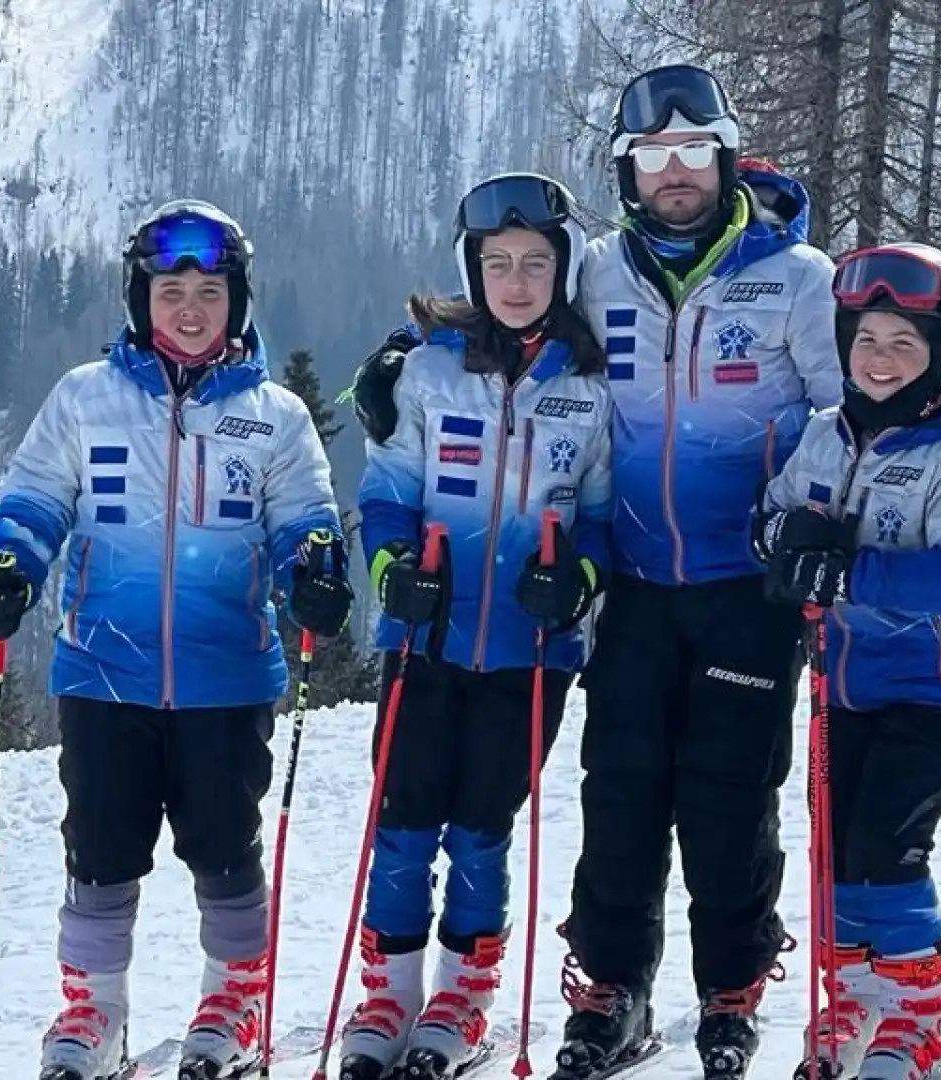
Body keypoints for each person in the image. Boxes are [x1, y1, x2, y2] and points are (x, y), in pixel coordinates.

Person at [349, 64, 843, 1080]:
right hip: (628, 576)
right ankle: (612, 986)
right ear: (627, 172)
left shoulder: (797, 279)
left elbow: (850, 413)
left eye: (691, 153)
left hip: (749, 585)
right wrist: (404, 352)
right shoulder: (598, 272)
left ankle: (731, 988)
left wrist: (816, 519)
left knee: (730, 793)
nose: (674, 176)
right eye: (652, 157)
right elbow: (501, 299)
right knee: (618, 788)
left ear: (723, 156)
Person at [0, 200, 353, 1080]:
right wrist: (9, 569)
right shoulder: (84, 399)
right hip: (102, 672)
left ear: (237, 301)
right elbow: (33, 502)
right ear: (140, 299)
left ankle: (235, 1000)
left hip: (226, 677)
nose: (188, 307)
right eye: (169, 288)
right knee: (98, 850)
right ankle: (93, 1013)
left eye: (209, 290)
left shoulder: (276, 416)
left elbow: (306, 523)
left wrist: (316, 574)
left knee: (223, 846)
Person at [338, 173, 614, 1080]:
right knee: (404, 818)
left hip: (532, 649)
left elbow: (605, 521)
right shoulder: (428, 370)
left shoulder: (590, 384)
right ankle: (389, 990)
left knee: (483, 825)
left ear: (563, 268)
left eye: (537, 262)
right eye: (498, 263)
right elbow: (384, 499)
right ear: (474, 270)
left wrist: (573, 578)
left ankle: (464, 993)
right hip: (426, 639)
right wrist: (389, 575)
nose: (519, 280)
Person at [754, 244, 941, 1080]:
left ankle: (920, 1021)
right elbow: (777, 514)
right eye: (866, 342)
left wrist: (847, 570)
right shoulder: (827, 435)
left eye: (904, 343)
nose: (881, 359)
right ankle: (857, 1000)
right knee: (838, 853)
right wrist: (784, 541)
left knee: (890, 850)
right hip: (840, 684)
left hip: (936, 689)